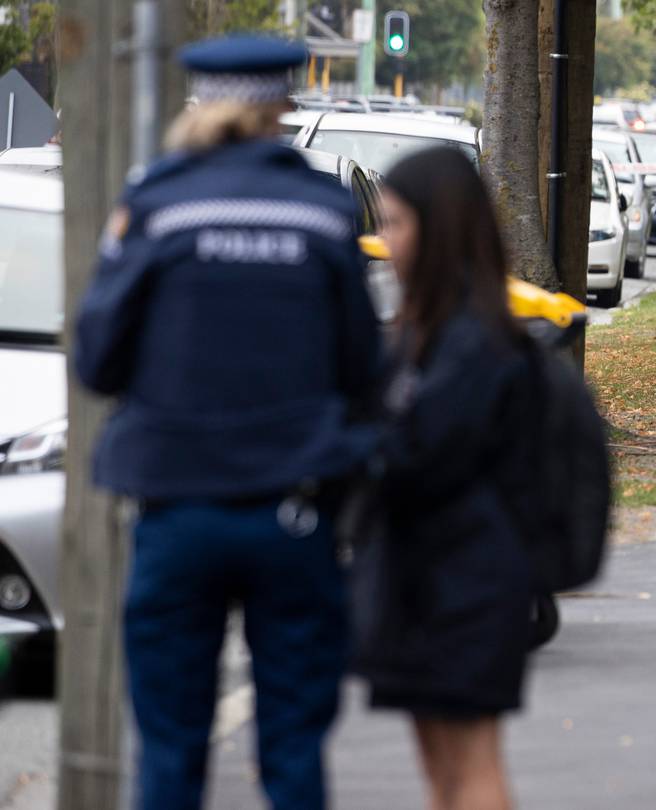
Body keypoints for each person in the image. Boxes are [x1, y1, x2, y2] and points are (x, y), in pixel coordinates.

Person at [73, 36, 381, 810]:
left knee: (171, 751)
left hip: (178, 510)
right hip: (295, 512)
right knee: (294, 748)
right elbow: (361, 370)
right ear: (283, 105)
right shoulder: (322, 209)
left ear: (203, 105)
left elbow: (98, 360)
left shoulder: (157, 203)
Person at [357, 147, 533, 810]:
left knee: (471, 763)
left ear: (441, 227)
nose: (386, 241)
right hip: (421, 577)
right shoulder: (424, 331)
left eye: (397, 223)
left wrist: (352, 446)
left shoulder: (474, 340)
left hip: (466, 580)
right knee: (441, 768)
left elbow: (421, 453)